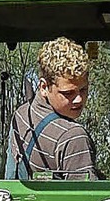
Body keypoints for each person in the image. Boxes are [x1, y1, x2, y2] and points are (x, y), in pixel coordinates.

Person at [6, 37, 99, 181]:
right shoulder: (73, 137)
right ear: (44, 87)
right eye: (68, 93)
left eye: (84, 89)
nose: (79, 99)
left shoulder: (21, 114)